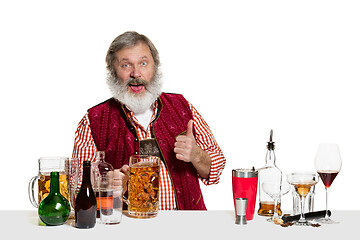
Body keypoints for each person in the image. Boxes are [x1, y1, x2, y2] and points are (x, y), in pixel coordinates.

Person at [72, 31, 226, 210]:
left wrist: (196, 155)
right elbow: (76, 188)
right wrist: (106, 183)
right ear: (113, 71)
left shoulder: (183, 107)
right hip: (125, 229)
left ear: (155, 67)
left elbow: (215, 170)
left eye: (143, 63)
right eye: (126, 65)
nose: (136, 73)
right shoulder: (93, 120)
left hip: (187, 224)